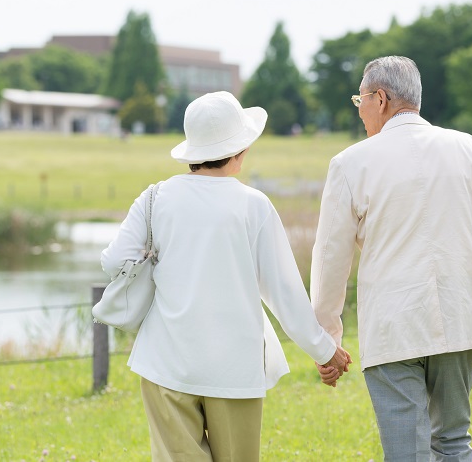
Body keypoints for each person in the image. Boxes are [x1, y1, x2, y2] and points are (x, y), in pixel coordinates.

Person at [101, 91, 351, 462]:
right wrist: (326, 351)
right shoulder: (253, 206)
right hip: (234, 371)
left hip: (165, 362)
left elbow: (114, 260)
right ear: (241, 150)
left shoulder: (155, 198)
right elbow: (284, 293)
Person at [310, 56, 472, 461]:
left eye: (360, 99)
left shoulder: (350, 163)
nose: (359, 109)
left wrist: (326, 340)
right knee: (453, 442)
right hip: (461, 318)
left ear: (381, 98)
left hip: (395, 328)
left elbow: (329, 260)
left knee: (407, 453)